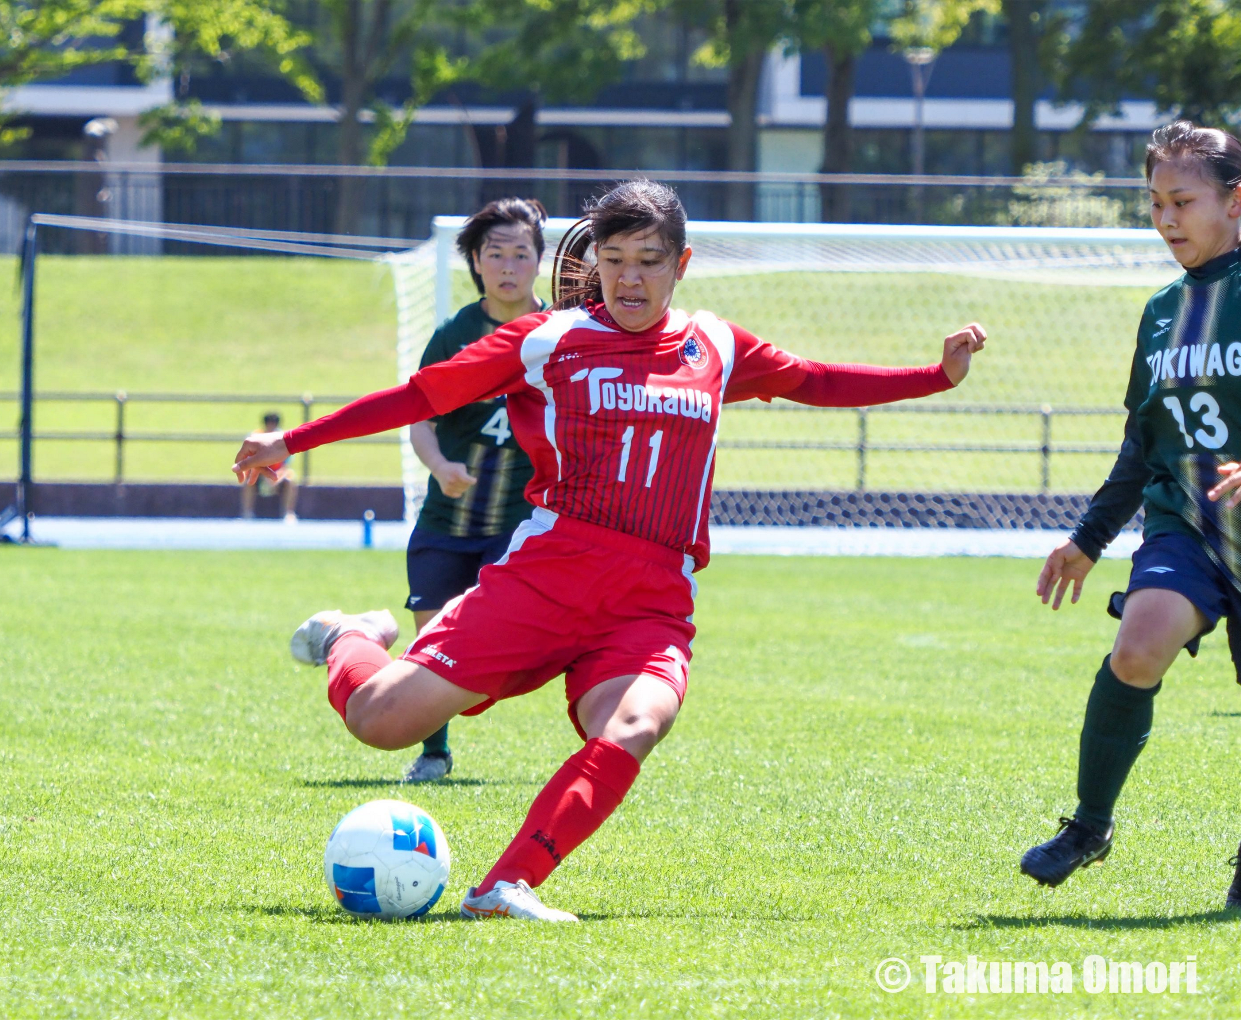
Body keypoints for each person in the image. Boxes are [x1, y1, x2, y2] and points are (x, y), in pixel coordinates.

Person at [234, 179, 986, 922]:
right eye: (615, 257)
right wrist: (291, 439)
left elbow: (814, 380)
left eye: (650, 260)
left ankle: (505, 886)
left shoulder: (715, 344)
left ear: (681, 263)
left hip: (652, 599)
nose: (631, 276)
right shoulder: (546, 341)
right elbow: (422, 396)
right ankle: (351, 635)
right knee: (378, 721)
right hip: (545, 579)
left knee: (634, 723)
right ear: (594, 260)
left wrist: (935, 376)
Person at [1021, 121, 1241, 911]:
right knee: (1137, 648)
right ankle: (1089, 826)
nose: (1167, 219)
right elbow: (1141, 442)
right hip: (1186, 529)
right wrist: (1086, 541)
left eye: (1183, 200)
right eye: (1155, 203)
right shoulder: (1160, 313)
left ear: (1235, 199)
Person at [402, 198, 546, 784]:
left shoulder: (563, 330)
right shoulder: (454, 335)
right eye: (496, 254)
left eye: (522, 253)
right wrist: (439, 466)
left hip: (522, 523)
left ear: (541, 262)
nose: (509, 266)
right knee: (432, 641)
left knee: (523, 642)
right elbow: (419, 419)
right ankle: (434, 752)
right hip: (446, 519)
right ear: (476, 263)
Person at [240, 413, 299, 523]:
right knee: (248, 479)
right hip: (259, 473)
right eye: (268, 424)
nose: (271, 427)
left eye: (274, 425)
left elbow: (285, 466)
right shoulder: (255, 438)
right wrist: (264, 474)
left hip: (277, 475)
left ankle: (288, 513)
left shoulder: (284, 440)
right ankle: (247, 512)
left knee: (291, 479)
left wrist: (276, 478)